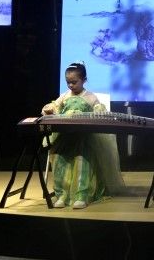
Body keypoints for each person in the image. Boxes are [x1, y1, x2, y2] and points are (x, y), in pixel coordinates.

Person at [41, 62, 125, 209]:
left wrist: (98, 111)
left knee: (82, 160)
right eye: (68, 82)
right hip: (65, 137)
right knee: (59, 159)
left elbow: (99, 112)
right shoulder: (64, 96)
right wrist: (50, 110)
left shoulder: (90, 97)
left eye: (74, 82)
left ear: (84, 80)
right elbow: (54, 107)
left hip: (84, 138)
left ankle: (82, 195)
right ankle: (62, 195)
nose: (70, 85)